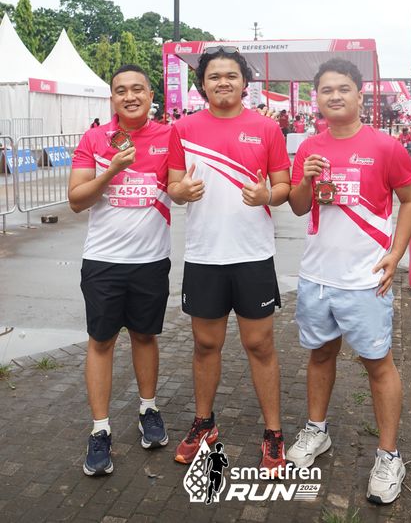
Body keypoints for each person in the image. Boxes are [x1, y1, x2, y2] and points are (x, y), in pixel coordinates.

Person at [286, 58, 411, 505]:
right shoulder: (309, 146)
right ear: (317, 99)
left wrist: (396, 254)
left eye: (343, 88)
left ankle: (389, 455)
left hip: (365, 280)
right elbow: (298, 207)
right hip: (317, 277)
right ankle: (316, 430)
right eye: (326, 90)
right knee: (320, 355)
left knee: (377, 363)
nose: (335, 96)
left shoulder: (385, 146)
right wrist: (305, 179)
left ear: (360, 95)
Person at [167, 46, 291, 477]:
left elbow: (283, 186)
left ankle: (273, 432)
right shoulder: (183, 129)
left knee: (260, 345)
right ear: (202, 84)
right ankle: (204, 423)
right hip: (204, 256)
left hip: (252, 255)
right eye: (214, 76)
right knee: (205, 345)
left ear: (244, 82)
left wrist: (268, 195)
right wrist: (180, 192)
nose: (223, 82)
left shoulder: (266, 128)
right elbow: (173, 185)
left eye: (231, 75)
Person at [68, 64, 172, 477]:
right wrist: (111, 169)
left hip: (151, 260)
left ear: (151, 95)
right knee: (101, 341)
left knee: (145, 335)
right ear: (111, 98)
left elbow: (178, 186)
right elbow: (76, 200)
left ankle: (148, 409)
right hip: (103, 261)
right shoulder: (95, 139)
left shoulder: (169, 136)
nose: (130, 96)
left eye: (137, 89)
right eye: (121, 90)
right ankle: (100, 429)